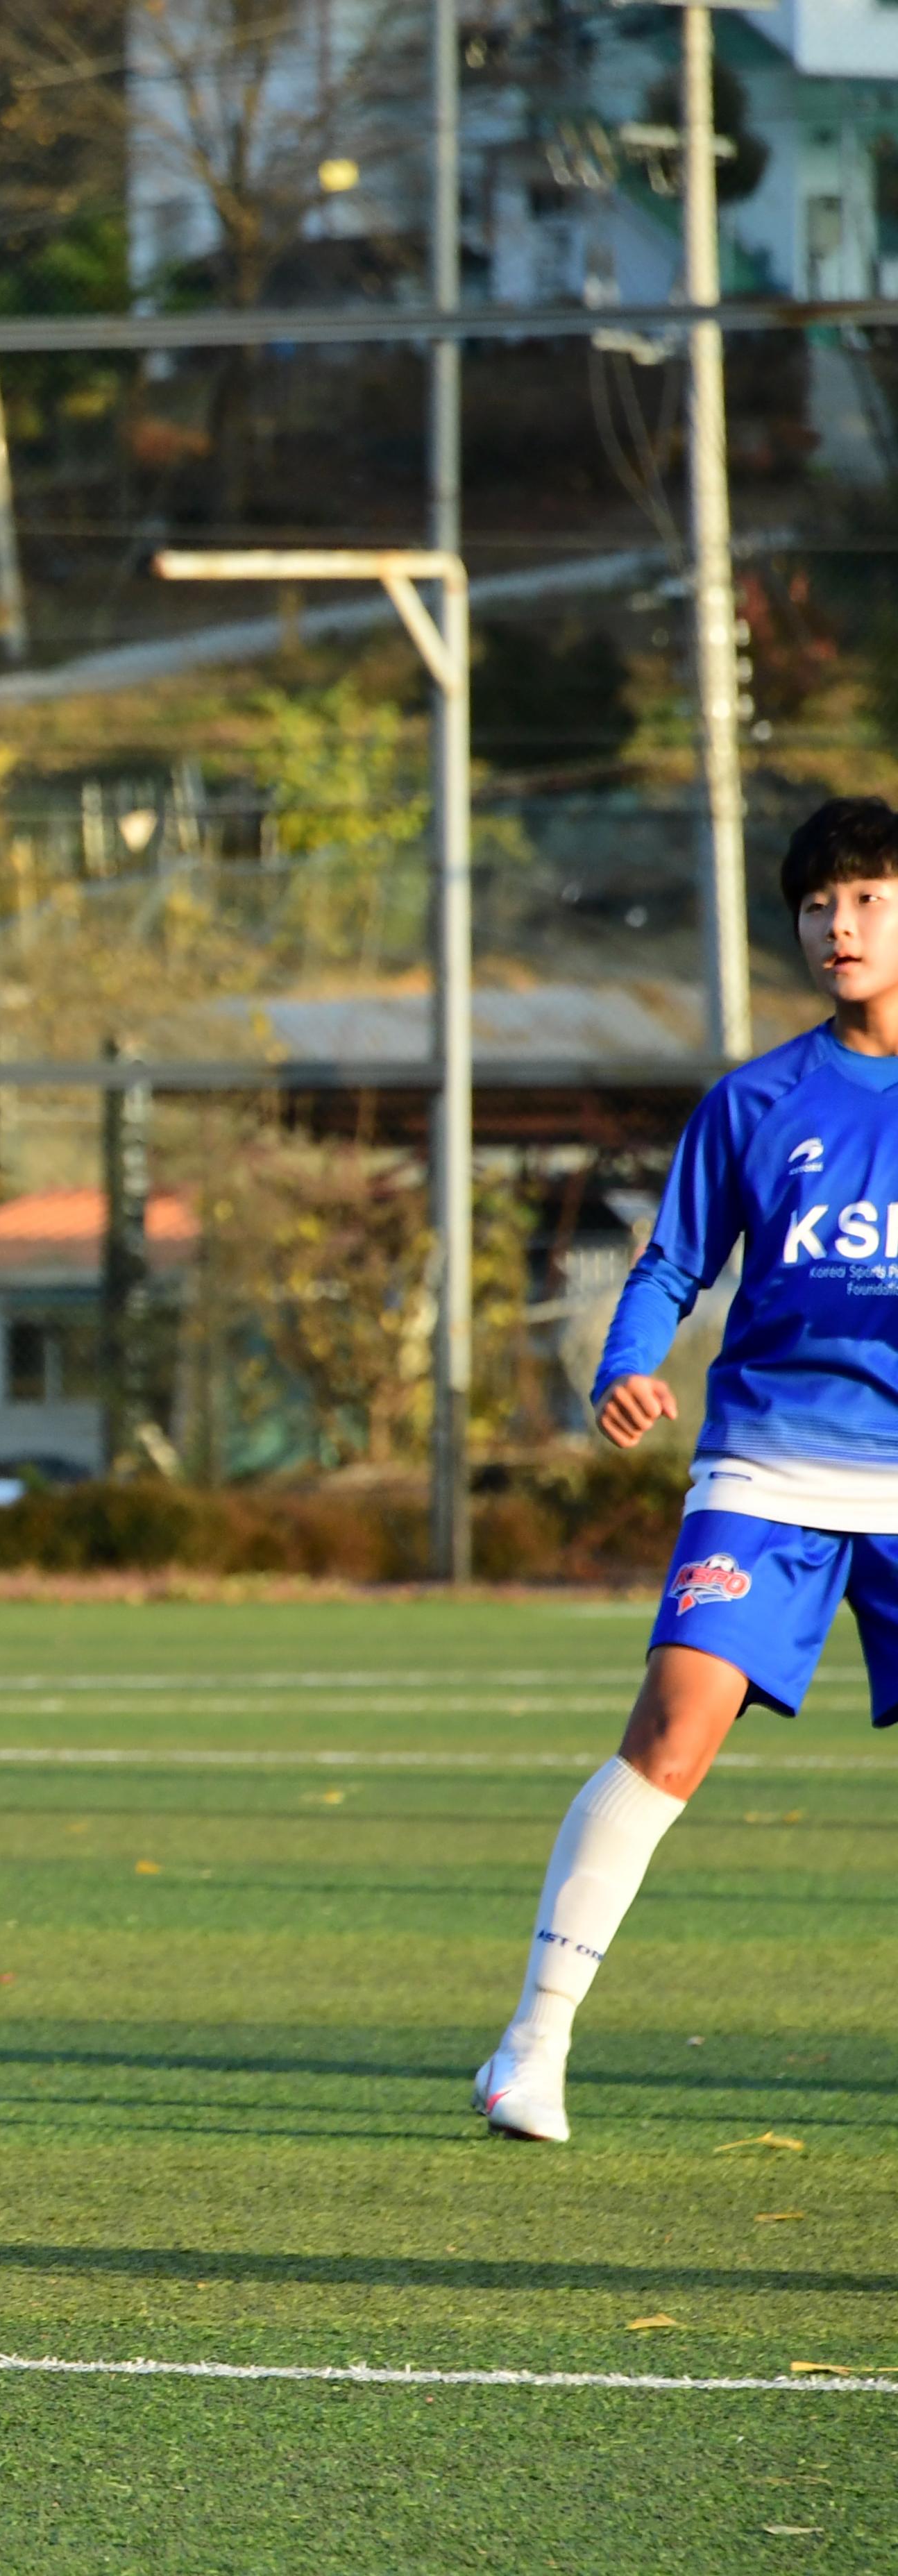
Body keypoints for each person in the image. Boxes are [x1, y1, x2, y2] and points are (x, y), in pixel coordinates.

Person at [475, 795, 898, 2142]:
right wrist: (622, 1363)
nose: (842, 925)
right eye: (822, 903)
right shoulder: (757, 1099)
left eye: (872, 899)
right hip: (768, 1466)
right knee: (671, 1734)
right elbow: (670, 1264)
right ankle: (532, 2045)